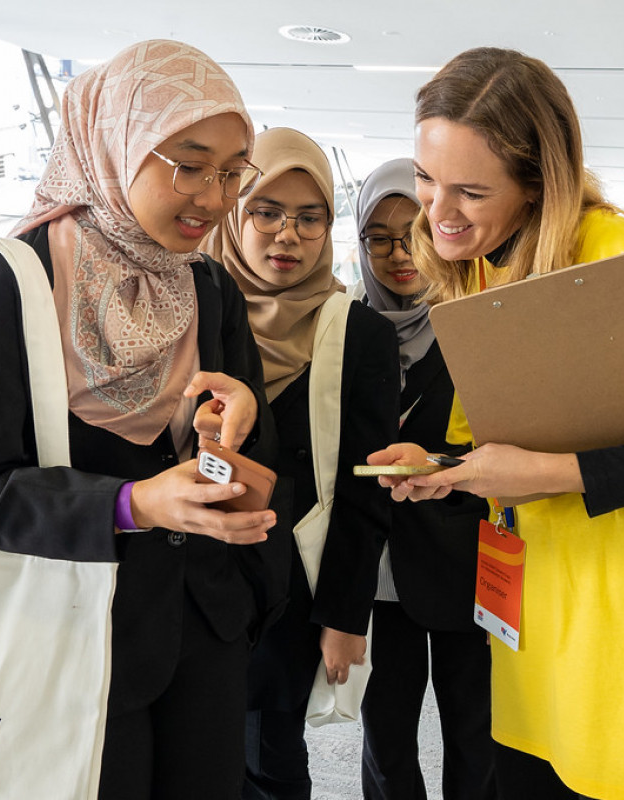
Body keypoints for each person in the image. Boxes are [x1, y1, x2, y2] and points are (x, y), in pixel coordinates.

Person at [367, 47, 624, 800]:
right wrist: (442, 465)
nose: (437, 211)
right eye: (426, 178)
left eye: (471, 191)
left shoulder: (623, 254)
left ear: (536, 181)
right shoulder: (491, 265)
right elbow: (507, 441)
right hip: (543, 615)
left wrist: (540, 474)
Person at [0, 40, 289, 799]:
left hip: (204, 628)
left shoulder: (205, 287)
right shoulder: (5, 284)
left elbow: (248, 454)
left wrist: (244, 423)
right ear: (114, 141)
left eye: (231, 171)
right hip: (68, 632)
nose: (214, 199)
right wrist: (134, 504)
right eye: (189, 164)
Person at [206, 126, 400, 800]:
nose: (287, 235)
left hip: (290, 591)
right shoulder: (193, 311)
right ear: (235, 212)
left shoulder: (358, 333)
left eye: (309, 218)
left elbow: (365, 492)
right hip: (191, 583)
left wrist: (345, 620)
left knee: (271, 759)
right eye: (265, 211)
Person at [353, 158, 495, 800]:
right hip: (376, 569)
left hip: (466, 557)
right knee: (385, 732)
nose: (400, 253)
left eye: (413, 232)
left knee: (476, 728)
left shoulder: (478, 318)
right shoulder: (343, 328)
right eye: (379, 238)